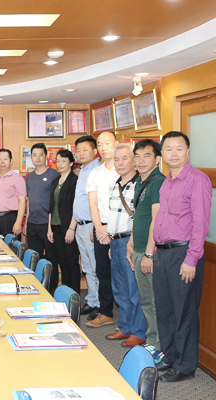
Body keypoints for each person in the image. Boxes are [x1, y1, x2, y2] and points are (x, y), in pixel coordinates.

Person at [152, 131, 211, 383]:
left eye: (179, 148)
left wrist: (191, 258)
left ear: (187, 152)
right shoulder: (166, 181)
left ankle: (185, 366)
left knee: (184, 311)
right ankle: (170, 355)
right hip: (162, 254)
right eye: (168, 149)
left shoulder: (197, 180)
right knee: (165, 310)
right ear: (162, 153)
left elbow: (200, 223)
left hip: (183, 254)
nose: (173, 153)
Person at [126, 139, 166, 363]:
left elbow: (156, 220)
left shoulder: (158, 182)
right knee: (146, 300)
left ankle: (160, 345)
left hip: (151, 252)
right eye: (138, 156)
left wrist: (149, 254)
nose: (141, 160)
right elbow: (139, 217)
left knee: (155, 301)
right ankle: (152, 341)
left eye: (147, 155)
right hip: (139, 248)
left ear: (157, 159)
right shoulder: (141, 181)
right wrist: (131, 243)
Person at [104, 144, 146, 347]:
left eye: (124, 158)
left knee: (134, 288)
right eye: (117, 159)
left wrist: (131, 243)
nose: (120, 163)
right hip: (115, 241)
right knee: (119, 287)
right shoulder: (115, 184)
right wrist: (111, 242)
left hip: (131, 242)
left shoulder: (140, 184)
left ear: (134, 160)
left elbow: (141, 218)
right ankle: (125, 327)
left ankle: (138, 331)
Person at [85, 131, 119, 328]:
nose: (103, 147)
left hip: (121, 229)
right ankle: (106, 313)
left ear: (116, 143)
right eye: (100, 144)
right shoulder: (95, 173)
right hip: (100, 228)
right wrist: (99, 229)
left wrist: (109, 229)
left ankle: (128, 319)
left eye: (107, 143)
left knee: (122, 274)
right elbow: (93, 204)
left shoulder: (125, 169)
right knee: (103, 272)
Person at [72, 135, 101, 320]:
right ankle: (92, 299)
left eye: (85, 149)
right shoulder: (83, 170)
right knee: (88, 266)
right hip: (81, 225)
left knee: (96, 266)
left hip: (92, 225)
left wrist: (96, 227)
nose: (81, 153)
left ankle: (99, 303)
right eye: (78, 150)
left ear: (95, 151)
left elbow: (99, 202)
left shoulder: (97, 171)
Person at [25, 143, 59, 291]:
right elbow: (28, 200)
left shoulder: (54, 175)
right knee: (35, 258)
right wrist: (26, 222)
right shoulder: (30, 176)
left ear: (46, 156)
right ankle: (37, 288)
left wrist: (51, 226)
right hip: (32, 223)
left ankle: (51, 289)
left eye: (40, 154)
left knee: (51, 258)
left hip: (47, 224)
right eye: (34, 155)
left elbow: (55, 202)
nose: (37, 158)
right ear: (31, 157)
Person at [47, 149, 80, 294]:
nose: (60, 164)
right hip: (55, 226)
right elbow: (51, 206)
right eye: (58, 161)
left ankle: (74, 295)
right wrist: (49, 228)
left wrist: (71, 228)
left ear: (71, 163)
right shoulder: (56, 181)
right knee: (62, 262)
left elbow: (76, 207)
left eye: (64, 161)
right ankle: (66, 294)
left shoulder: (74, 181)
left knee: (72, 262)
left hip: (68, 226)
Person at [0, 149, 26, 238]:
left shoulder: (18, 178)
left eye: (5, 159)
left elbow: (22, 201)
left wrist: (18, 222)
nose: (2, 162)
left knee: (10, 246)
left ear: (11, 161)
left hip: (9, 219)